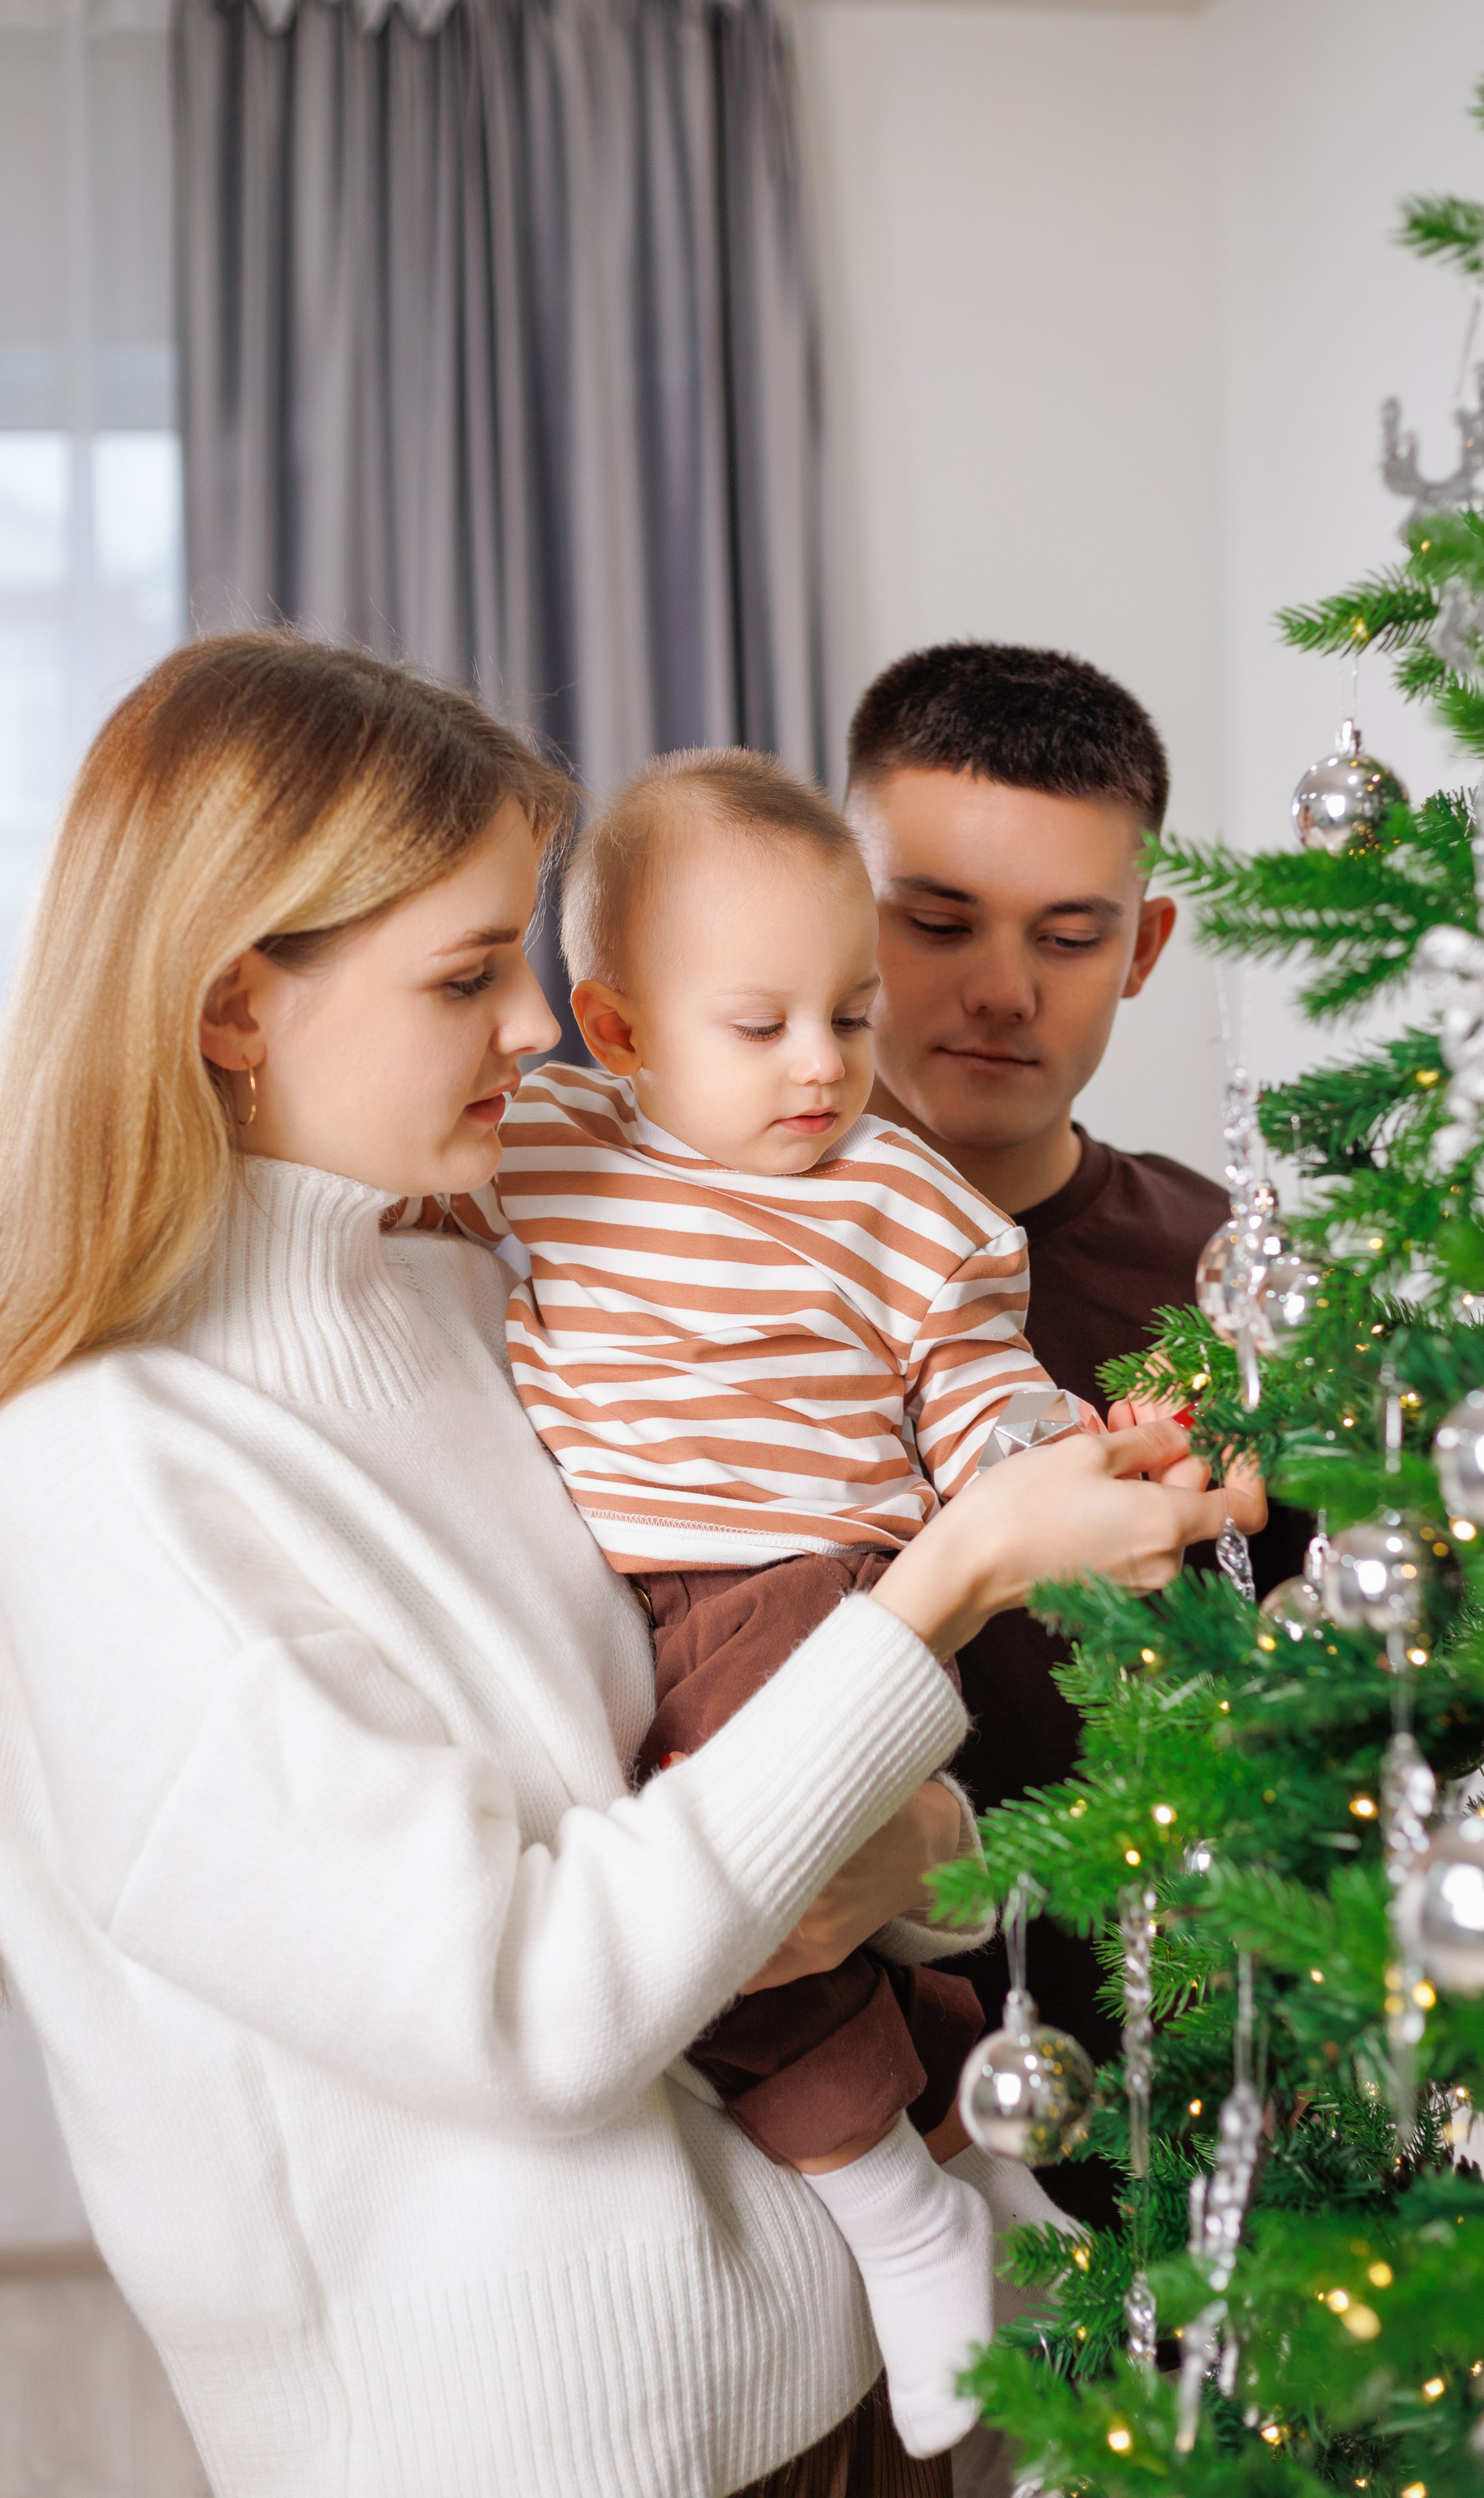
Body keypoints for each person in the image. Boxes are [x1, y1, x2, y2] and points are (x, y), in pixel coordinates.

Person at [0, 633, 1261, 2498]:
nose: (534, 1030)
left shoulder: (464, 1300)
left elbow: (704, 1785)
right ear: (236, 1012)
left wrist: (921, 1864)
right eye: (462, 976)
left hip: (838, 2368)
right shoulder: (108, 1482)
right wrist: (949, 1582)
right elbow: (531, 2011)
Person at [400, 745, 1128, 2457]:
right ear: (627, 1031)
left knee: (711, 1901)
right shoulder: (553, 1140)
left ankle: (892, 2203)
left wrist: (1064, 1442)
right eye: (763, 1025)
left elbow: (977, 1391)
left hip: (812, 1601)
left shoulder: (900, 1201)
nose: (824, 1069)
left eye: (852, 1018)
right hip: (638, 1620)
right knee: (671, 1918)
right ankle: (964, 2154)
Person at [846, 641, 1309, 2236]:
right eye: (934, 923)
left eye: (1067, 936)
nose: (999, 990)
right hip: (817, 2129)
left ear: (1145, 946)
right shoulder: (689, 1259)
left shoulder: (1224, 1272)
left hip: (1175, 2113)